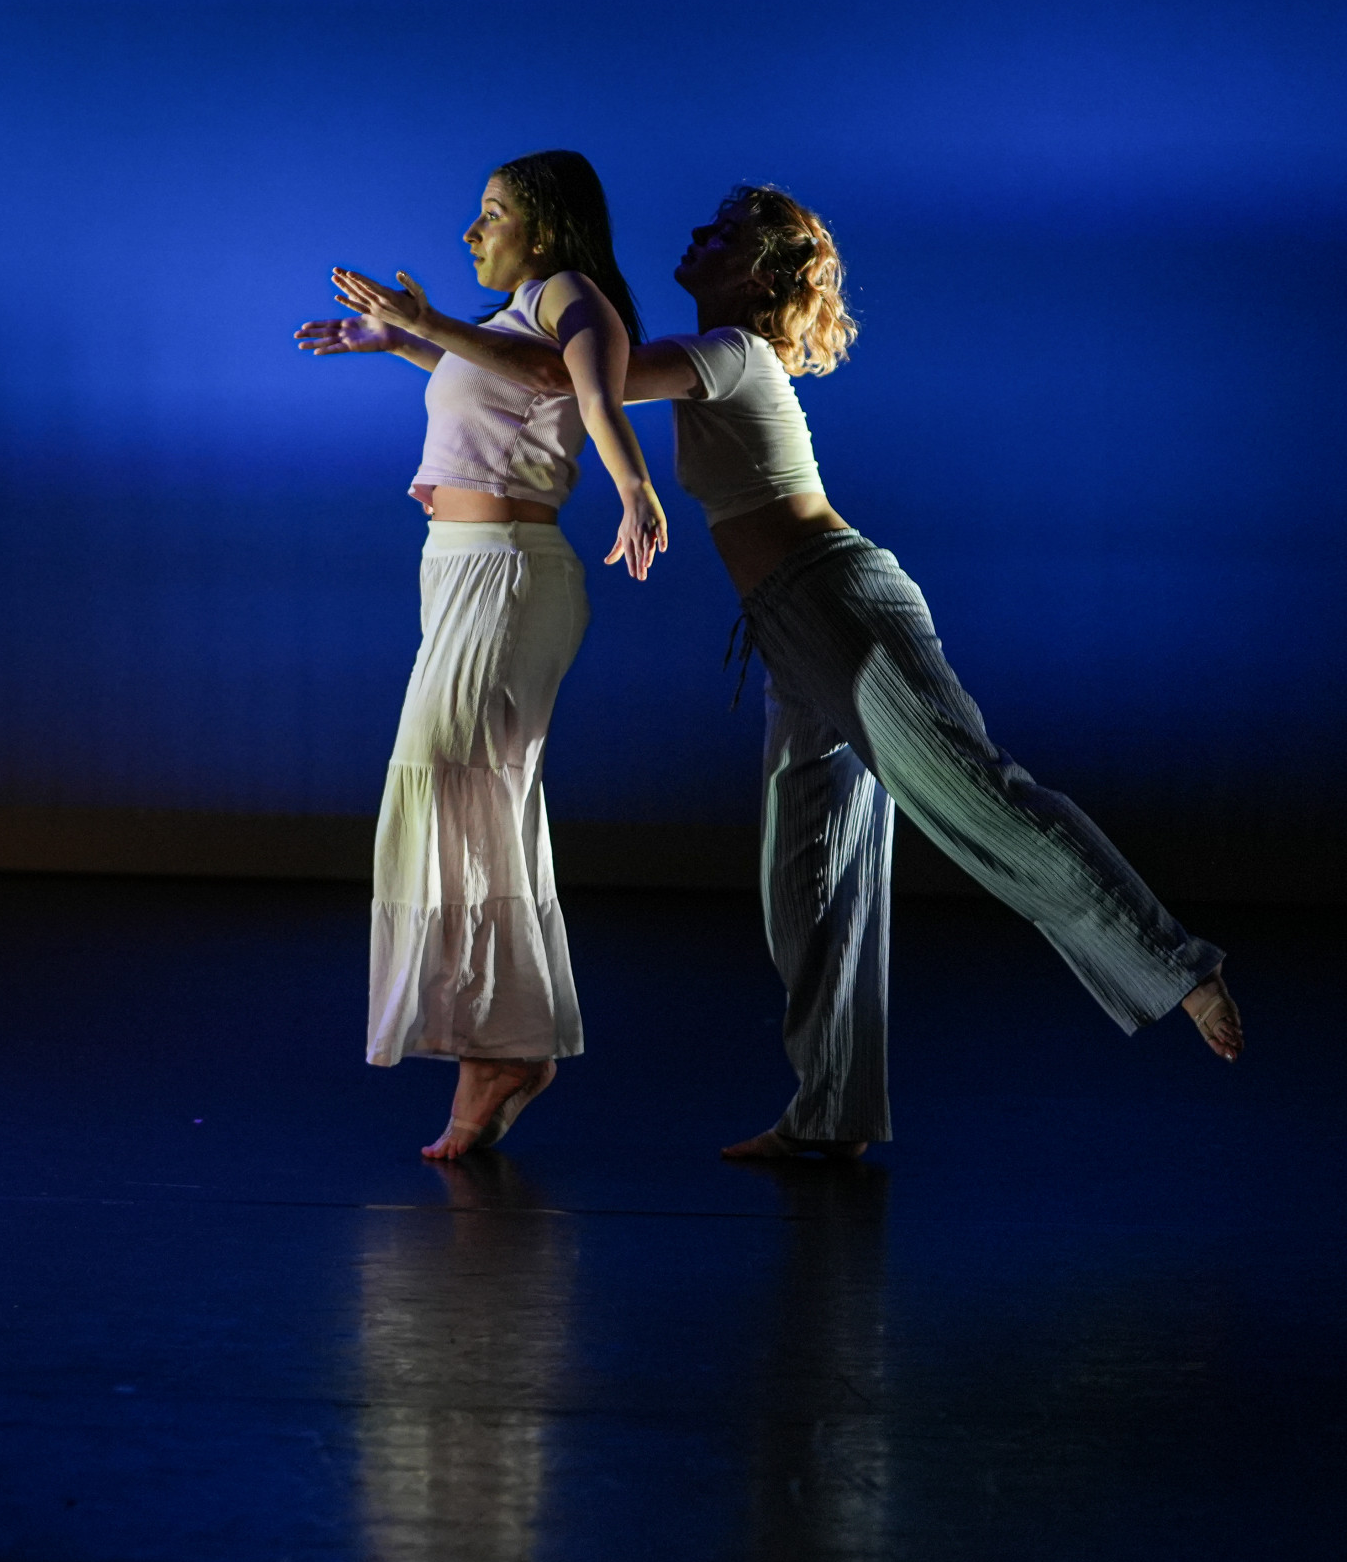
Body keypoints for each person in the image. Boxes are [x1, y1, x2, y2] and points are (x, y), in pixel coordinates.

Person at [333, 183, 1242, 1158]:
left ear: (756, 272)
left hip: (840, 606)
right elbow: (549, 375)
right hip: (788, 628)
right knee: (807, 880)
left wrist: (429, 325)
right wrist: (419, 346)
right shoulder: (712, 358)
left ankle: (1173, 965)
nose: (692, 233)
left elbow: (567, 379)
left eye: (718, 234)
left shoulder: (729, 354)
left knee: (977, 798)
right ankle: (830, 1115)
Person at [296, 150, 670, 1159]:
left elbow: (573, 388)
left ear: (543, 231)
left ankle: (501, 1049)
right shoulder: (511, 318)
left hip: (508, 568)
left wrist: (635, 491)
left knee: (457, 790)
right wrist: (401, 346)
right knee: (465, 799)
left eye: (491, 214)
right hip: (463, 566)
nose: (471, 233)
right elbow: (505, 384)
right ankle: (500, 1045)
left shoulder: (569, 295)